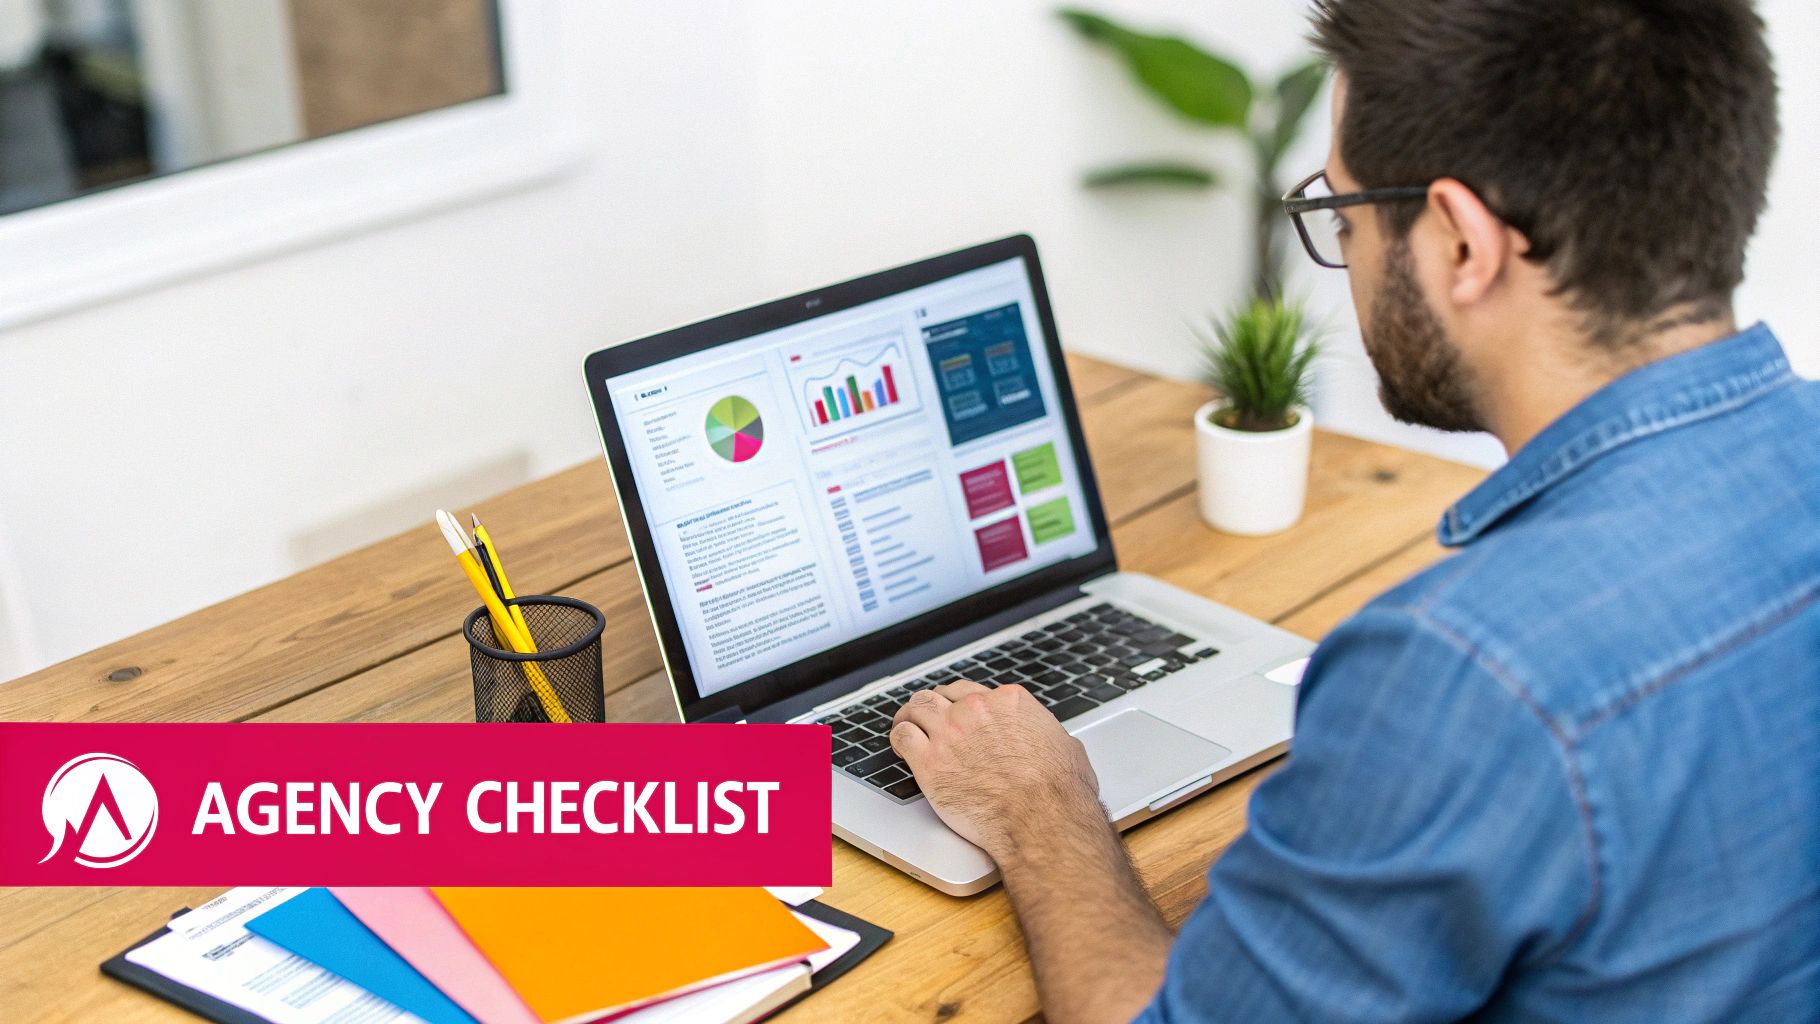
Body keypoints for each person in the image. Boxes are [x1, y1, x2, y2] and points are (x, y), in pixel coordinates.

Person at [888, 1, 1819, 1020]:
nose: (1350, 258)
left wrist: (1039, 808)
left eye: (1343, 217)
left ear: (1462, 243)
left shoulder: (1457, 672)